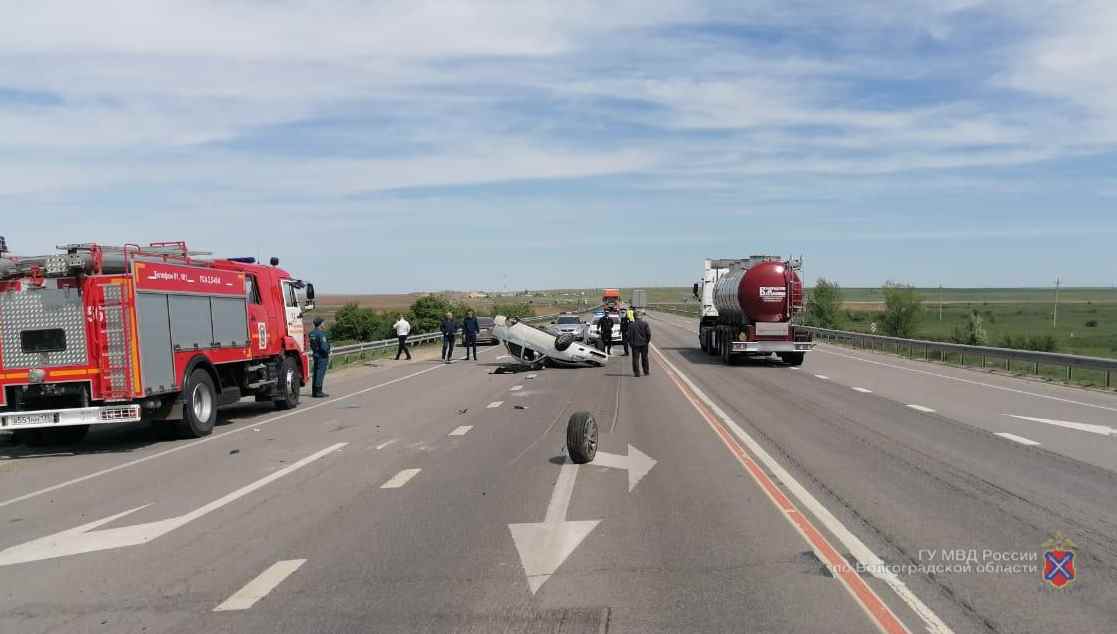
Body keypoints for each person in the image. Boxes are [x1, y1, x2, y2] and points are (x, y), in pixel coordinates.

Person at [308, 317, 331, 397]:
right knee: (320, 373)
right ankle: (318, 391)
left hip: (315, 354)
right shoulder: (321, 334)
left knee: (316, 373)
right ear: (320, 324)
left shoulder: (311, 333)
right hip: (322, 356)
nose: (324, 324)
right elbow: (324, 347)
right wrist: (327, 350)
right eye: (323, 323)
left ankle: (314, 391)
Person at [627, 310, 652, 377]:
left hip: (635, 345)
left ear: (634, 317)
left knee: (635, 359)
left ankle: (637, 373)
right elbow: (649, 334)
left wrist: (631, 343)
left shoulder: (631, 325)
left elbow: (628, 336)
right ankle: (646, 371)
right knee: (645, 358)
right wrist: (647, 341)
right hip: (644, 344)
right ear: (641, 317)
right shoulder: (645, 324)